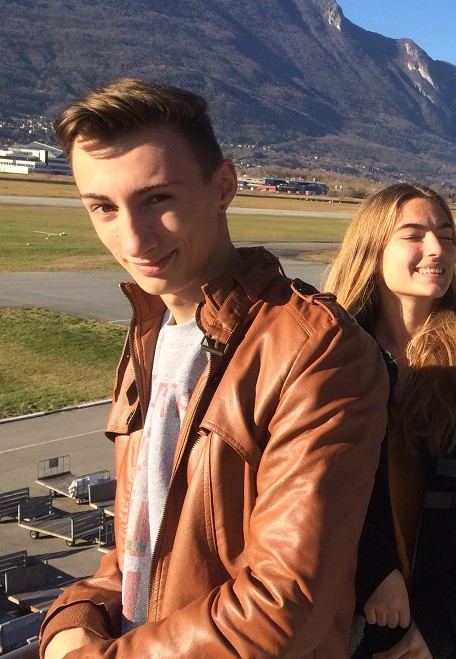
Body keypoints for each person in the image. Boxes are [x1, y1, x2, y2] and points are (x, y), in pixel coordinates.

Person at [39, 78, 389, 658]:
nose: (133, 237)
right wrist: (79, 610)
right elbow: (146, 535)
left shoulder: (316, 350)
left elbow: (283, 606)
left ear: (223, 186)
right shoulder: (151, 328)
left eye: (158, 199)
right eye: (103, 207)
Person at [323, 183, 456, 659]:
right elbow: (306, 485)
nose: (437, 249)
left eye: (445, 233)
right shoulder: (327, 348)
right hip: (363, 623)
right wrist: (371, 566)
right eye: (414, 234)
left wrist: (445, 621)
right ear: (371, 246)